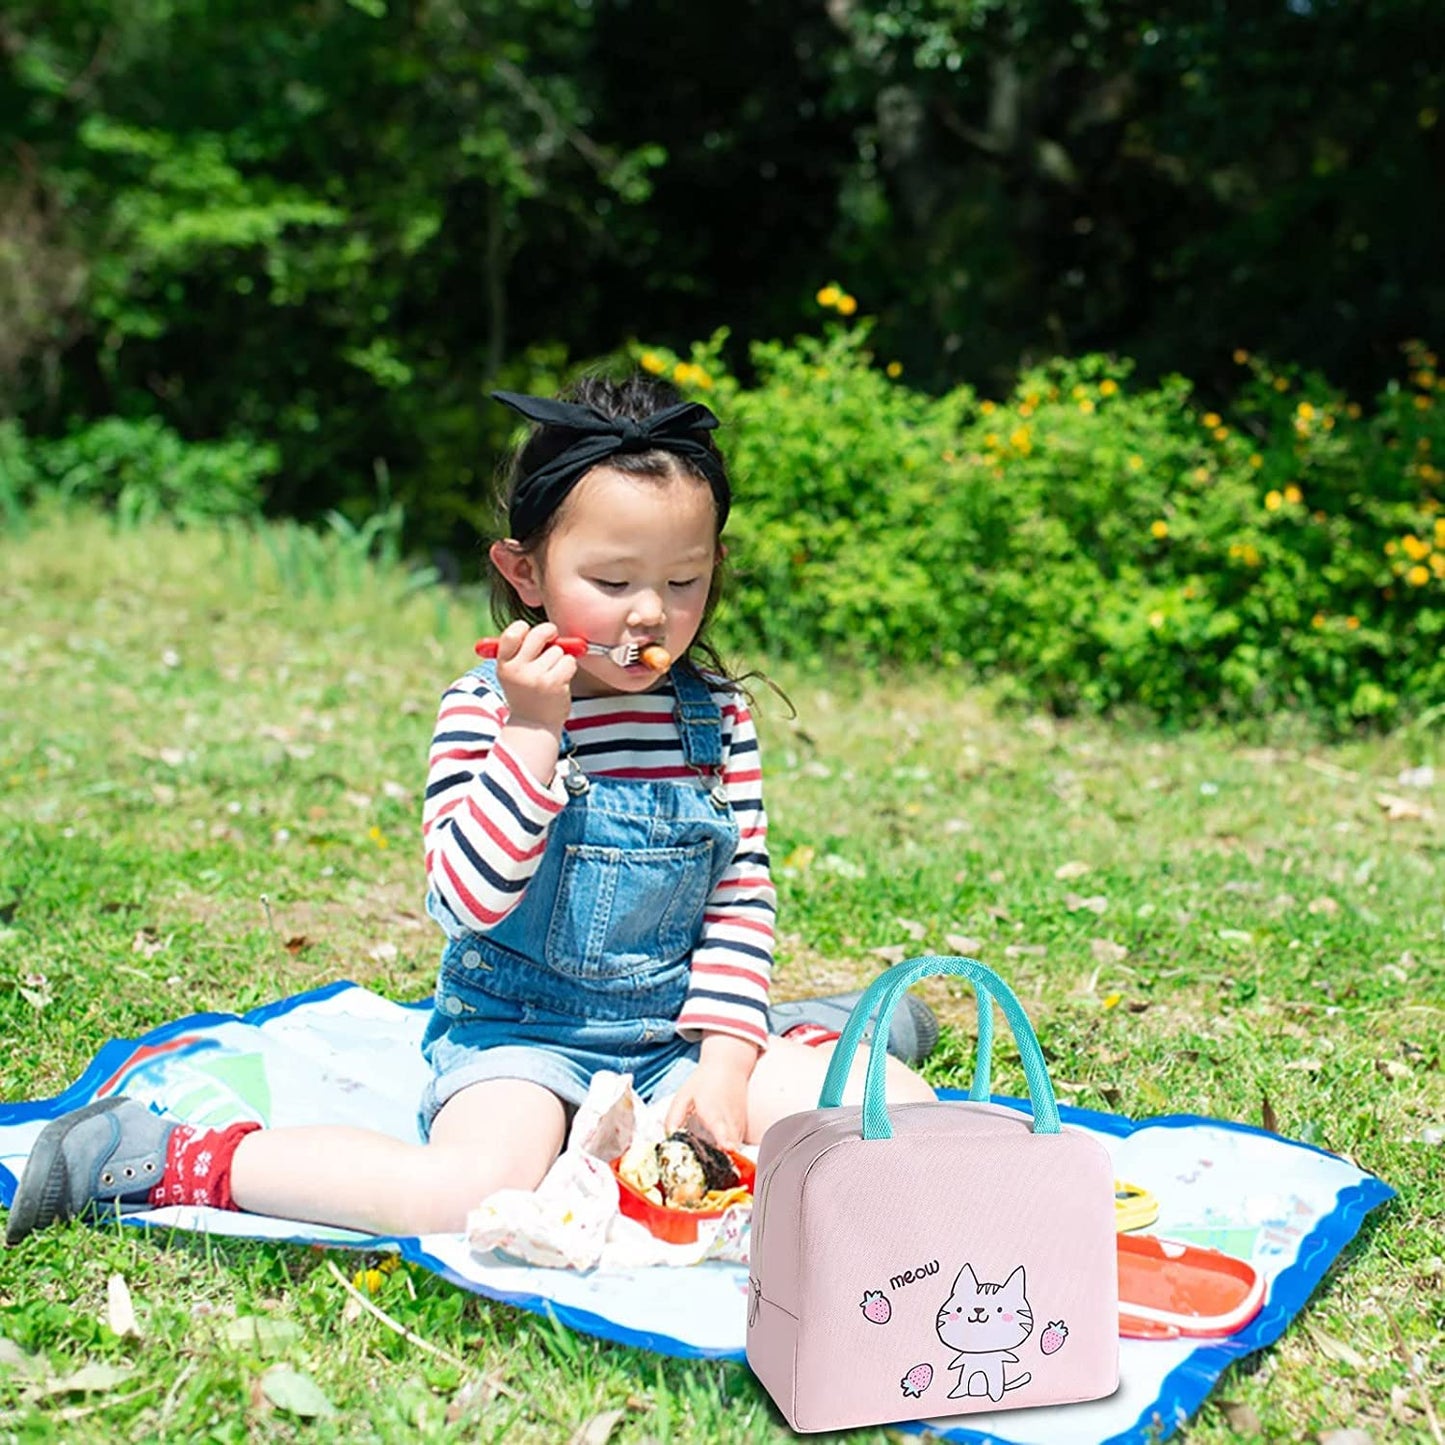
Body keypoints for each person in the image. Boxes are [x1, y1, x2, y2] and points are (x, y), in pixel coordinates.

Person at [4, 373, 937, 1247]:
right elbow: (465, 900)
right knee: (463, 1192)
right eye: (613, 583)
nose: (650, 613)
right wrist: (533, 732)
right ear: (525, 573)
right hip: (520, 1037)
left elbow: (738, 897)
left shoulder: (714, 717)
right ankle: (161, 1154)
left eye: (682, 581)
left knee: (906, 1113)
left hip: (674, 1036)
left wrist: (728, 1067)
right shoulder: (485, 709)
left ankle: (795, 1031)